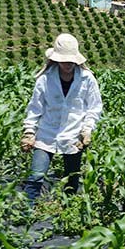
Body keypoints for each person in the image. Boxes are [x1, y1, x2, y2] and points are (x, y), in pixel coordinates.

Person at [21, 33, 103, 204]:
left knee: (72, 179)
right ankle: (24, 215)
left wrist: (87, 130)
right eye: (64, 61)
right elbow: (35, 107)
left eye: (71, 61)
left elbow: (94, 107)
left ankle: (69, 211)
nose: (68, 64)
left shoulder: (87, 79)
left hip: (74, 136)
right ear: (56, 59)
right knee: (35, 175)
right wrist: (29, 131)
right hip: (47, 134)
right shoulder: (45, 79)